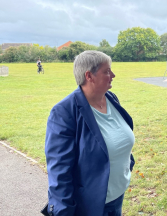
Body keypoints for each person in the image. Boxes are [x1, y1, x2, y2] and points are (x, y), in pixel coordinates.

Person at [45, 50, 135, 216]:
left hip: (116, 196)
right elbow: (59, 171)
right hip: (90, 205)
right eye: (107, 71)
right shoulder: (64, 112)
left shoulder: (111, 98)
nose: (113, 75)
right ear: (89, 76)